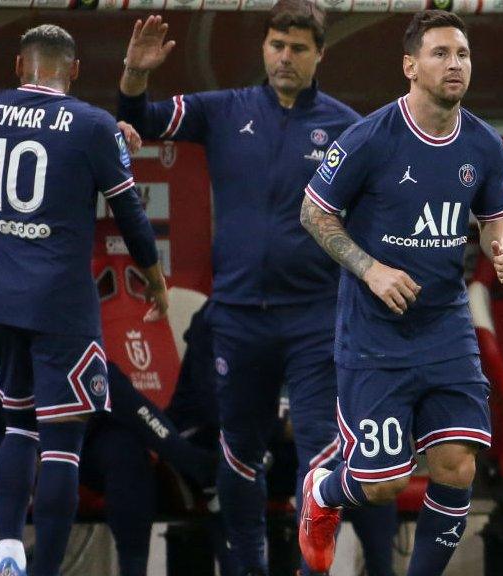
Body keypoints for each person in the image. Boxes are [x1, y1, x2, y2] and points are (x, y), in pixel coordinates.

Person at [117, 3, 397, 574]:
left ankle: (309, 569)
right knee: (239, 453)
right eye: (275, 45)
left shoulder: (349, 127)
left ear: (320, 54)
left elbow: (384, 212)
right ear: (264, 48)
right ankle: (247, 568)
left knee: (322, 453)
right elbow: (139, 119)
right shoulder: (225, 110)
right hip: (240, 316)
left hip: (316, 318)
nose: (284, 57)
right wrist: (135, 74)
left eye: (297, 48)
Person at [296, 11, 503, 575]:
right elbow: (314, 211)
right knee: (383, 485)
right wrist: (370, 269)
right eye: (441, 53)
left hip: (446, 325)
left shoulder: (485, 145)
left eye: (463, 55)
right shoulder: (371, 137)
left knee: (457, 466)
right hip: (375, 333)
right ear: (410, 66)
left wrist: (501, 251)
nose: (455, 65)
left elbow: (494, 220)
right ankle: (324, 492)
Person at [0, 225, 217, 576]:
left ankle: (135, 568)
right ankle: (193, 463)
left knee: (123, 443)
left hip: (74, 426)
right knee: (105, 380)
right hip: (17, 436)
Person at [0, 25, 168, 576]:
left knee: (17, 426)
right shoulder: (93, 125)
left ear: (19, 66)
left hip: (1, 298)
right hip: (60, 303)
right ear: (76, 71)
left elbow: (54, 145)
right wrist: (153, 278)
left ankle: (7, 548)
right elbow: (129, 213)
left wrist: (109, 139)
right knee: (62, 443)